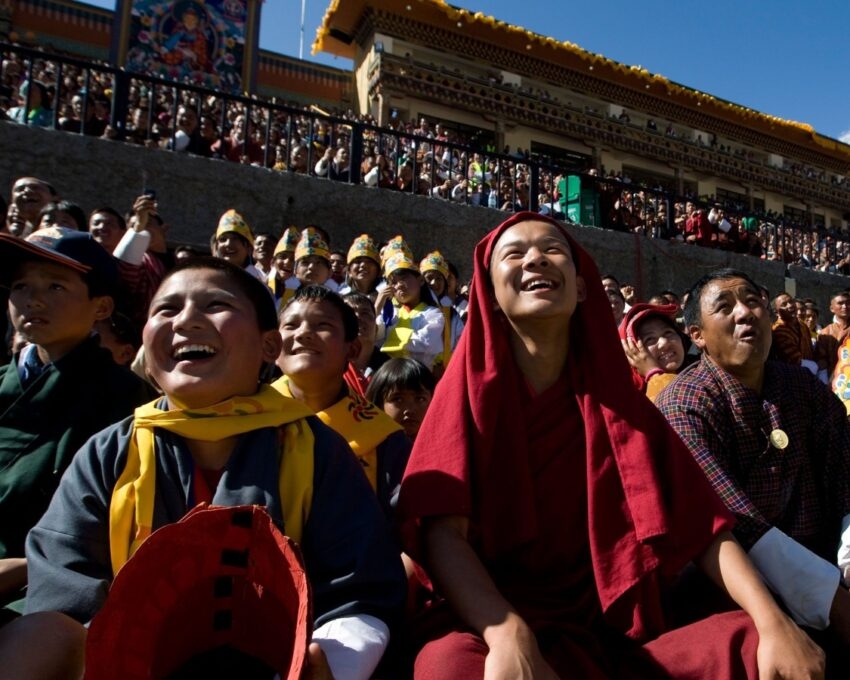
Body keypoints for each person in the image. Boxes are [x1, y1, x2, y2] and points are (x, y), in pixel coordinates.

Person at [399, 213, 823, 679]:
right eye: (515, 254)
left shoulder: (619, 405)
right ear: (491, 294)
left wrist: (773, 621)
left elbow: (704, 529)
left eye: (552, 249)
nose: (536, 258)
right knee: (448, 666)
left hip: (597, 628)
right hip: (484, 619)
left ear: (581, 289)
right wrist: (506, 633)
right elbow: (442, 532)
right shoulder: (466, 390)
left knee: (749, 642)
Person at [3, 257, 405, 679]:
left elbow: (359, 587)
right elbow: (65, 575)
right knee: (37, 637)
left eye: (216, 305)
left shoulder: (316, 449)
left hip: (272, 667)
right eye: (166, 309)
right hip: (126, 664)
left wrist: (331, 661)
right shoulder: (111, 450)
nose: (186, 322)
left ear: (269, 347)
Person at [655, 268, 850, 666]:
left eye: (753, 301)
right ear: (697, 336)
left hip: (827, 569)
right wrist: (833, 600)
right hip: (733, 593)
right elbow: (733, 523)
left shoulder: (801, 386)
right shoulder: (684, 403)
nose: (745, 313)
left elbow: (845, 476)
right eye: (725, 307)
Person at [0, 227, 153, 623]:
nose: (32, 300)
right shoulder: (3, 379)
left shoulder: (128, 401)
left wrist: (25, 567)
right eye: (20, 286)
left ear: (101, 308)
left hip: (48, 594)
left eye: (55, 287)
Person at [273, 285, 410, 522]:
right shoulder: (247, 420)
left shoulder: (383, 439)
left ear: (353, 349)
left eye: (323, 325)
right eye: (291, 325)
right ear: (272, 346)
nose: (303, 333)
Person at [377, 247, 444, 373]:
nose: (399, 285)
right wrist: (377, 307)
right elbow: (374, 337)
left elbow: (424, 343)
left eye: (404, 278)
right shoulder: (390, 313)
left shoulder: (433, 313)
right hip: (391, 373)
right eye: (394, 282)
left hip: (419, 373)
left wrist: (390, 341)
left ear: (420, 280)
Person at [619, 302, 691, 401]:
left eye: (668, 332)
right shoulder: (630, 397)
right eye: (649, 339)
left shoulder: (702, 372)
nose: (664, 343)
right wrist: (653, 374)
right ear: (632, 351)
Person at [365, 358, 435, 442]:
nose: (410, 410)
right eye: (398, 399)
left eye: (420, 399)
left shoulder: (445, 448)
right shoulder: (366, 451)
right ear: (378, 405)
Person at [212, 209, 265, 282]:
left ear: (249, 248)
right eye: (223, 239)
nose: (228, 244)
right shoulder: (208, 275)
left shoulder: (259, 280)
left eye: (235, 239)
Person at [338, 234, 382, 300]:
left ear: (378, 271)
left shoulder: (388, 298)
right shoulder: (339, 298)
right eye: (358, 261)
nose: (363, 265)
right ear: (349, 271)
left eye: (369, 262)